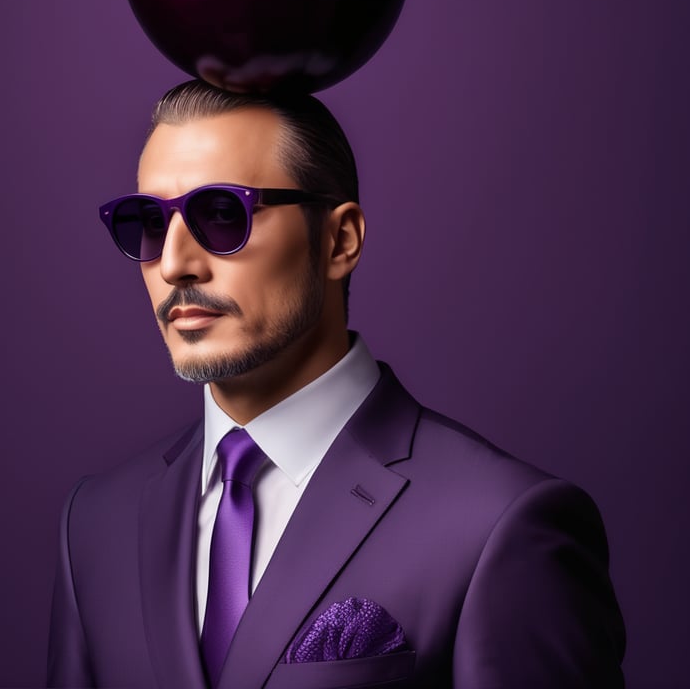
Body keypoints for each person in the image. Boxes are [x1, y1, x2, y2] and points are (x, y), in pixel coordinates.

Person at [47, 79, 625, 688]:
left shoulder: (498, 524)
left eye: (222, 216)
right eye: (146, 222)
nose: (173, 263)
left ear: (339, 240)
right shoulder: (95, 524)